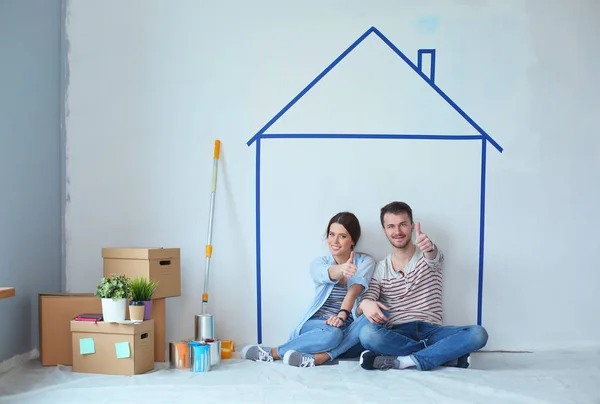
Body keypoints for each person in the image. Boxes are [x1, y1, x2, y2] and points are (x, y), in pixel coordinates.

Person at [357, 201, 488, 371]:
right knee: (367, 334)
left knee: (478, 334)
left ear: (411, 226)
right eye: (391, 226)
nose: (397, 232)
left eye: (403, 225)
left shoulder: (429, 256)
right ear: (384, 230)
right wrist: (364, 303)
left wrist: (430, 247)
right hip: (398, 332)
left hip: (433, 332)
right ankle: (441, 357)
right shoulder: (381, 268)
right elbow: (366, 302)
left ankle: (405, 361)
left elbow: (433, 257)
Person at [240, 212, 376, 367]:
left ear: (353, 240)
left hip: (348, 325)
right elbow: (327, 273)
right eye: (331, 234)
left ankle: (321, 357)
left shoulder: (366, 261)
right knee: (332, 335)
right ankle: (273, 352)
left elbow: (354, 291)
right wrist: (342, 269)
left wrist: (341, 316)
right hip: (319, 325)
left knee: (376, 314)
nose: (334, 241)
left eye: (342, 236)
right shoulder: (319, 263)